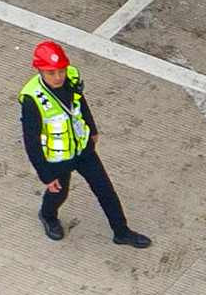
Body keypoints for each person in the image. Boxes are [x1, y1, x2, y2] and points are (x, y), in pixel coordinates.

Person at [20, 40, 149, 248]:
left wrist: (92, 129)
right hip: (58, 157)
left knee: (105, 190)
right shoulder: (32, 99)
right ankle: (48, 215)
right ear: (40, 71)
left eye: (60, 71)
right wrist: (46, 175)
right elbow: (31, 142)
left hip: (83, 149)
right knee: (59, 193)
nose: (58, 77)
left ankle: (121, 232)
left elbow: (81, 103)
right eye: (52, 73)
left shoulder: (71, 77)